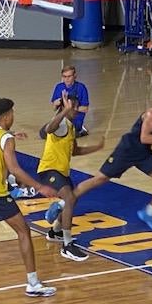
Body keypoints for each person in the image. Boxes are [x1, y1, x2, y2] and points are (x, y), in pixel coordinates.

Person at [46, 89, 152, 233]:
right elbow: (145, 138)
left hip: (143, 154)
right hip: (127, 150)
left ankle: (149, 212)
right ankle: (61, 203)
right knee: (99, 179)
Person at [0, 98, 58, 297]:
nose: (14, 116)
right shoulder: (6, 139)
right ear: (6, 116)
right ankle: (33, 283)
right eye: (12, 113)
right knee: (24, 232)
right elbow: (14, 168)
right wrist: (40, 186)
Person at [39, 91, 105, 261]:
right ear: (66, 107)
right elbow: (48, 129)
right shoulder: (60, 123)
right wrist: (63, 110)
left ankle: (55, 232)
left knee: (72, 199)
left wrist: (96, 148)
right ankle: (67, 245)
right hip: (49, 169)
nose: (76, 110)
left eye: (75, 107)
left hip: (61, 171)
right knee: (69, 199)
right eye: (73, 107)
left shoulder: (71, 127)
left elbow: (75, 151)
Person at [50, 65, 90, 137]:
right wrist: (55, 104)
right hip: (62, 118)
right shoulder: (59, 87)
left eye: (69, 76)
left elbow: (85, 109)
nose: (66, 79)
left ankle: (80, 131)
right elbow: (54, 109)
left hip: (76, 120)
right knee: (46, 132)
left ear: (75, 76)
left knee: (66, 133)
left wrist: (70, 108)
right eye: (64, 77)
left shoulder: (81, 88)